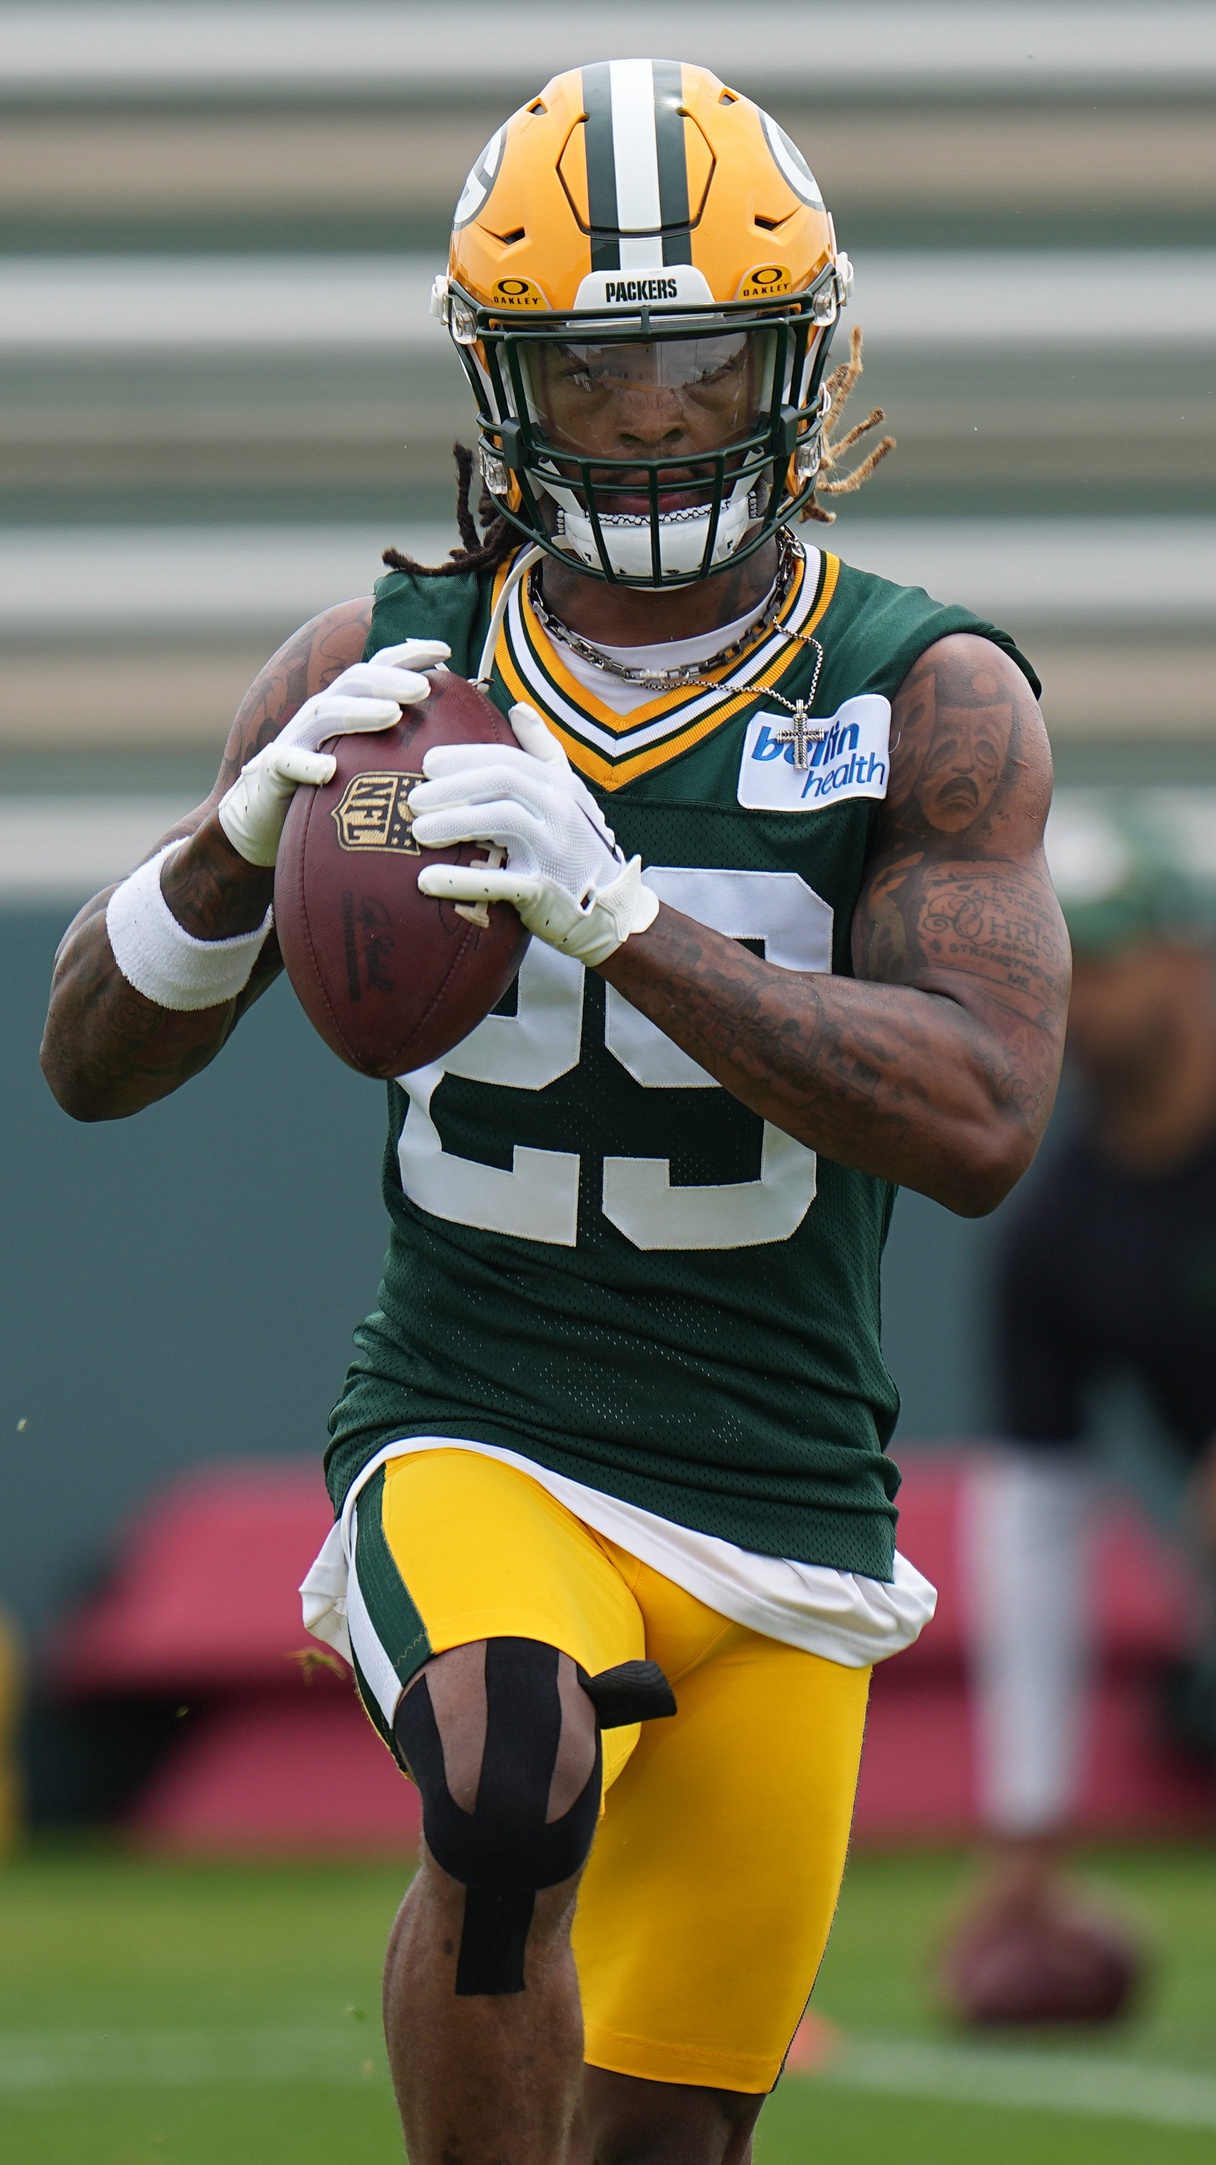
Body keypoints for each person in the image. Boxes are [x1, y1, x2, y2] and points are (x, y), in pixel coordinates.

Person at [41, 61, 1067, 2165]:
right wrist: (234, 846)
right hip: (475, 1415)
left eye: (701, 362)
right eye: (591, 374)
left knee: (667, 2134)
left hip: (779, 1489)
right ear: (502, 385)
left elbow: (979, 1114)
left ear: (801, 361)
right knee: (505, 1786)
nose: (654, 418)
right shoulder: (383, 675)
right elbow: (85, 1060)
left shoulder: (917, 693)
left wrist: (621, 923)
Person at [953, 795, 1216, 2012]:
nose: (1076, 998)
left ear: (1186, 949)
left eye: (1102, 958)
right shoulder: (1057, 1231)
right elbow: (1035, 1526)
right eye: (1053, 964)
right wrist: (1028, 1823)